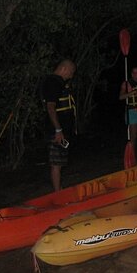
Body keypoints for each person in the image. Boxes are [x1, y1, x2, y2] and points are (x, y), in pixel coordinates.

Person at [40, 59, 76, 192]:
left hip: (62, 129)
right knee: (56, 163)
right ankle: (57, 193)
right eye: (71, 72)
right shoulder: (53, 82)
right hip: (56, 130)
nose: (71, 76)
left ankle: (60, 189)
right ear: (64, 69)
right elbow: (50, 107)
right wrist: (58, 129)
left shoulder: (58, 82)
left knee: (60, 161)